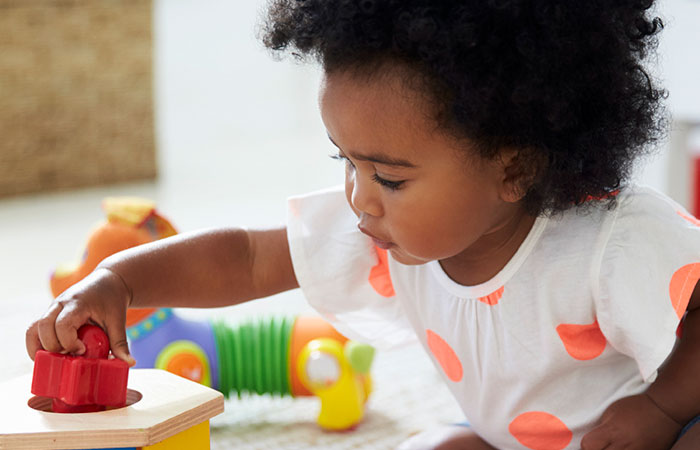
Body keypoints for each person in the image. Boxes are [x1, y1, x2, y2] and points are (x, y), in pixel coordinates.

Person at [25, 1, 700, 448]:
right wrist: (118, 279)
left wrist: (664, 409)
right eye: (345, 162)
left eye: (390, 176)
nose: (360, 198)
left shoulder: (614, 242)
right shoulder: (388, 231)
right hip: (514, 435)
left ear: (514, 168)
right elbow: (248, 260)